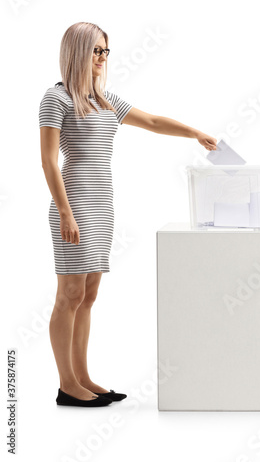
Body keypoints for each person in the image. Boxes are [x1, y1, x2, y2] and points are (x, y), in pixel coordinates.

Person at [39, 21, 217, 408]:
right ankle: (67, 385)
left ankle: (84, 376)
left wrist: (195, 133)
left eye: (105, 51)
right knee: (68, 294)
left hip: (102, 204)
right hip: (74, 203)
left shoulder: (105, 101)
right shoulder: (56, 99)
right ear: (76, 52)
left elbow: (152, 122)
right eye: (95, 50)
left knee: (88, 295)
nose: (101, 58)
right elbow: (49, 162)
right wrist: (66, 212)